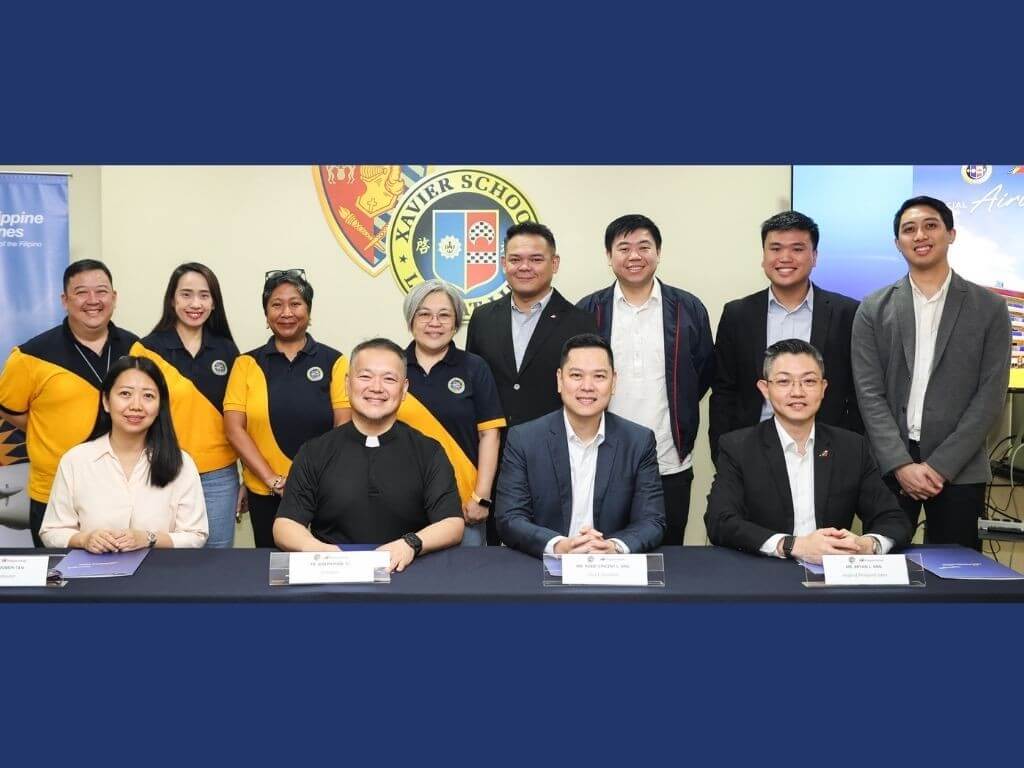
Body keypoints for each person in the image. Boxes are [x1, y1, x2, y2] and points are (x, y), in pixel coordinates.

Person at [852, 196, 1010, 550]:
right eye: (909, 229)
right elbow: (868, 394)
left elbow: (990, 397)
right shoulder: (873, 308)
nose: (920, 235)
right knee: (881, 573)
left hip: (960, 467)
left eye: (930, 225)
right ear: (898, 243)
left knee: (955, 578)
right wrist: (900, 464)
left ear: (951, 233)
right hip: (891, 466)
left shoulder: (990, 308)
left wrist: (940, 467)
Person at [705, 340, 910, 562]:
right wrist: (793, 545)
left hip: (831, 575)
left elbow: (894, 519)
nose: (797, 392)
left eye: (809, 381)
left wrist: (866, 545)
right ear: (765, 389)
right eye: (784, 381)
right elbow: (720, 521)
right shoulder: (738, 447)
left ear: (823, 388)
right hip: (764, 572)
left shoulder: (851, 447)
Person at [577, 214, 713, 544]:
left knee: (669, 558)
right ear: (609, 256)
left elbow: (704, 371)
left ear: (659, 252)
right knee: (603, 554)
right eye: (623, 248)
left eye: (644, 247)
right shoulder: (588, 310)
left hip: (669, 459)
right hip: (602, 460)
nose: (634, 256)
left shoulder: (688, 308)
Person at [273, 338, 464, 572]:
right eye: (365, 376)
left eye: (389, 379)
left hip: (409, 571)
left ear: (404, 389)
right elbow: (284, 525)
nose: (376, 387)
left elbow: (452, 523)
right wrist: (316, 549)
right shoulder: (315, 451)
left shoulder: (429, 451)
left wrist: (410, 544)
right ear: (347, 384)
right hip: (334, 574)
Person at [465, 221, 596, 543]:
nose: (524, 267)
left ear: (554, 264)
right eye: (515, 259)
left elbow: (587, 392)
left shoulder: (580, 321)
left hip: (555, 459)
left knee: (553, 550)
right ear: (503, 263)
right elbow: (474, 390)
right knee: (496, 560)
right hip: (494, 460)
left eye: (536, 259)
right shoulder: (483, 318)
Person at [0, 259, 139, 546]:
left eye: (101, 292)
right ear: (65, 300)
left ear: (114, 297)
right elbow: (8, 409)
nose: (92, 301)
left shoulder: (137, 349)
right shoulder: (30, 355)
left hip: (126, 491)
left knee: (124, 584)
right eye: (81, 292)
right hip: (54, 493)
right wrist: (44, 428)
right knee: (58, 585)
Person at [709, 210, 861, 466]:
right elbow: (724, 391)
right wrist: (724, 453)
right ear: (764, 256)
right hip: (753, 453)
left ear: (814, 256)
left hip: (826, 454)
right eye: (775, 248)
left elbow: (858, 392)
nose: (785, 258)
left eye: (797, 249)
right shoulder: (737, 314)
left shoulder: (848, 313)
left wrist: (852, 452)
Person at [495, 334, 665, 558]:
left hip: (611, 571)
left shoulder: (638, 441)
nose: (587, 386)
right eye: (576, 375)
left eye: (599, 376)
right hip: (541, 568)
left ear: (613, 382)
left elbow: (652, 521)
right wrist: (558, 546)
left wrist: (614, 547)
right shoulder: (524, 439)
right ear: (559, 379)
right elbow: (510, 518)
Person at [223, 269, 351, 548]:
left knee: (326, 567)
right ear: (266, 315)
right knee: (273, 571)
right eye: (276, 304)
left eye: (295, 303)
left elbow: (343, 427)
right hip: (265, 492)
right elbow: (234, 429)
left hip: (323, 490)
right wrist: (272, 480)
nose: (286, 312)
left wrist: (308, 481)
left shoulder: (335, 361)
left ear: (309, 310)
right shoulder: (246, 364)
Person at [39, 356, 208, 550]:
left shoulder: (181, 463)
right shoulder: (76, 460)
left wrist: (148, 538)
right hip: (94, 572)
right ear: (106, 401)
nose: (136, 405)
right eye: (125, 394)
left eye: (148, 396)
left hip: (160, 573)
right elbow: (51, 531)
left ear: (160, 406)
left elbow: (196, 535)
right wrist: (84, 539)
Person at [132, 263, 242, 548]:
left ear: (214, 302)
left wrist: (247, 480)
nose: (195, 304)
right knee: (164, 557)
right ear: (172, 299)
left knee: (217, 560)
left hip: (218, 476)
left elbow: (240, 420)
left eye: (204, 296)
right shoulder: (146, 350)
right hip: (163, 468)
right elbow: (132, 415)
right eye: (186, 295)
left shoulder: (228, 350)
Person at [396, 280, 505, 546]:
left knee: (465, 584)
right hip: (400, 505)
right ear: (411, 320)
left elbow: (490, 435)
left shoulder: (474, 367)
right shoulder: (393, 366)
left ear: (456, 323)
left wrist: (481, 497)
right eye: (424, 314)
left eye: (444, 315)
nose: (434, 322)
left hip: (463, 507)